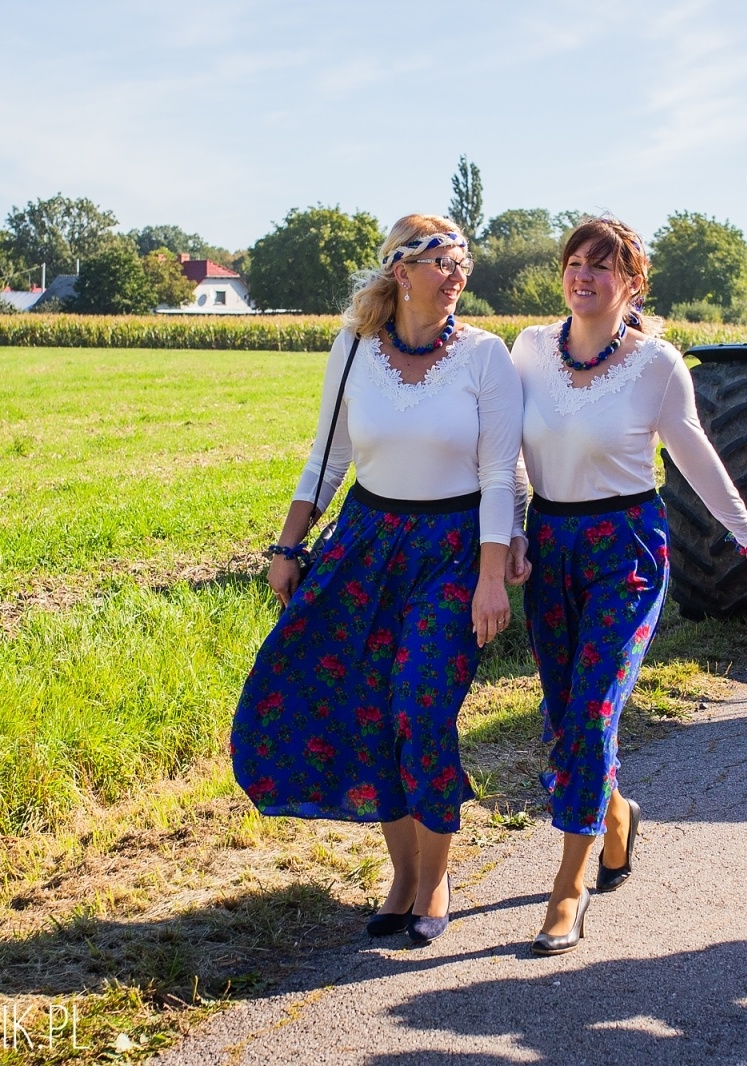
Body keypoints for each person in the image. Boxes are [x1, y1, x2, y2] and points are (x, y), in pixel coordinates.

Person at [230, 215, 522, 947]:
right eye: (440, 262)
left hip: (452, 550)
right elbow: (327, 460)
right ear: (401, 270)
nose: (456, 275)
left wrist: (492, 577)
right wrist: (287, 545)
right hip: (366, 544)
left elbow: (497, 475)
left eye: (462, 262)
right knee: (373, 712)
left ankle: (437, 879)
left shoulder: (485, 356)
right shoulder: (356, 346)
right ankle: (403, 876)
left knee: (421, 707)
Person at [507, 217, 747, 956]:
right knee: (565, 716)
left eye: (601, 266)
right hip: (551, 545)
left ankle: (568, 891)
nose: (583, 275)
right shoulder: (528, 350)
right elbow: (505, 452)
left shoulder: (657, 365)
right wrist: (511, 530)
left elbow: (695, 456)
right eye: (575, 261)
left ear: (631, 283)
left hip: (625, 549)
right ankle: (616, 815)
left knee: (594, 710)